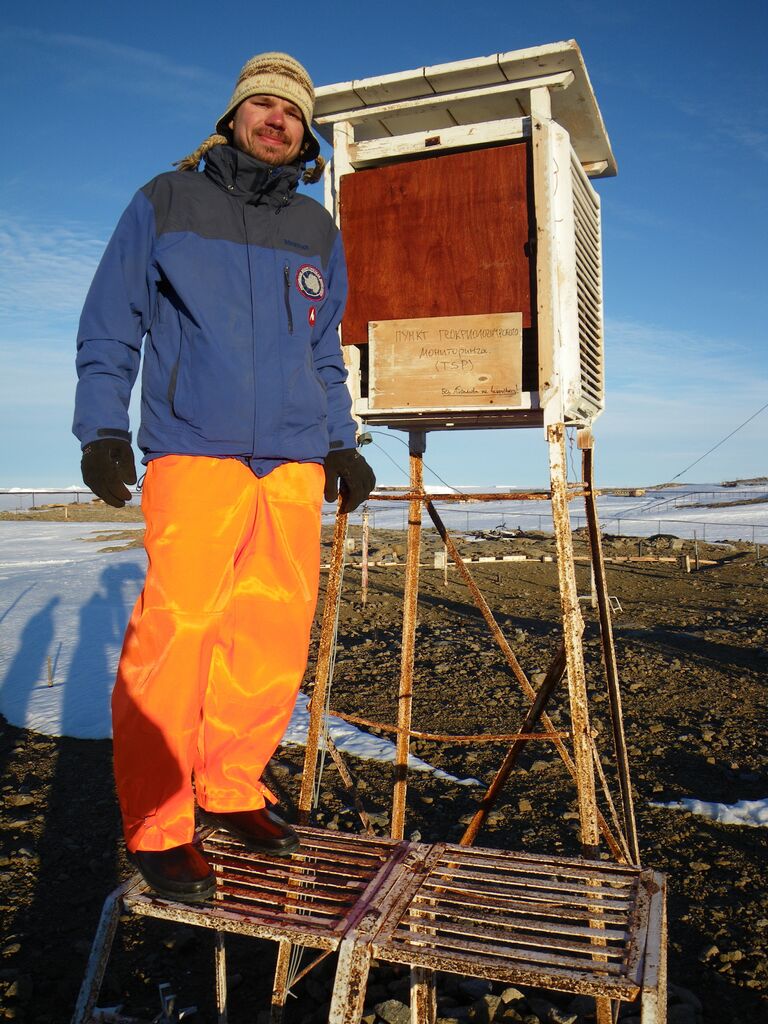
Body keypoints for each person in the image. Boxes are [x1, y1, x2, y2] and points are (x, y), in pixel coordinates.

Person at [73, 52, 375, 903]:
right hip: (195, 450)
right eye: (263, 104)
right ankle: (160, 825)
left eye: (293, 111)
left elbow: (323, 348)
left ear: (303, 133)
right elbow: (111, 320)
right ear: (234, 114)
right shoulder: (167, 201)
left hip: (291, 460)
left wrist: (340, 441)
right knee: (178, 634)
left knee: (273, 630)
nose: (277, 119)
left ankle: (231, 783)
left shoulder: (315, 228)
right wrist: (100, 426)